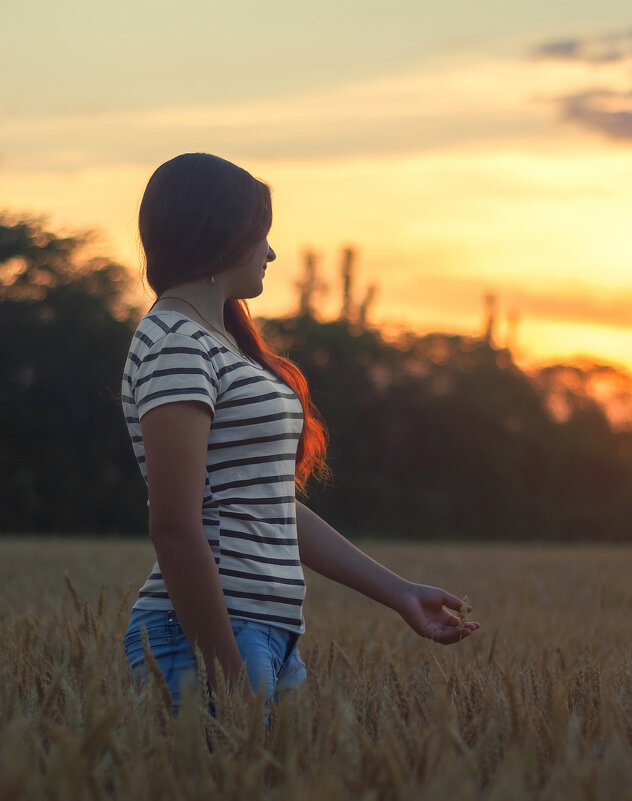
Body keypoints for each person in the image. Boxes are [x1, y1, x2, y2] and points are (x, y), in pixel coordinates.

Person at [121, 153, 479, 706]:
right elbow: (173, 525)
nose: (270, 251)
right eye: (261, 233)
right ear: (221, 234)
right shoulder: (176, 344)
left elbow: (270, 506)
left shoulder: (216, 342)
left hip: (266, 633)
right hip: (211, 637)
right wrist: (227, 670)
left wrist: (400, 594)